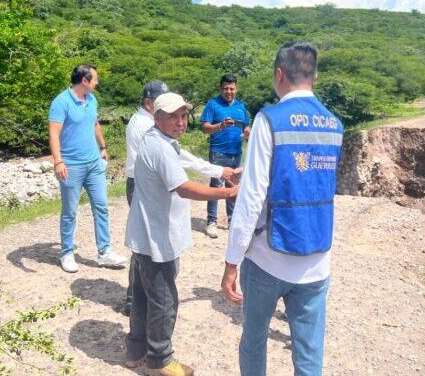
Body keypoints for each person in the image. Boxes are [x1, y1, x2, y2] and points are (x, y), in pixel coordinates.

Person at [220, 42, 344, 376]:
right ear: (314, 76)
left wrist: (232, 260)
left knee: (254, 340)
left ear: (279, 75)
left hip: (268, 259)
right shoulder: (334, 124)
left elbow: (251, 199)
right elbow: (306, 176)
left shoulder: (270, 119)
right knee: (309, 350)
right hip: (317, 258)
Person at [125, 92, 239, 376]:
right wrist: (227, 192)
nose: (180, 122)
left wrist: (221, 170)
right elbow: (184, 187)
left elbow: (188, 159)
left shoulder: (159, 140)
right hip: (157, 239)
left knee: (141, 295)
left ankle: (135, 350)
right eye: (173, 117)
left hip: (144, 236)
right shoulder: (160, 148)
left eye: (184, 116)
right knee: (164, 300)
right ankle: (160, 360)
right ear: (157, 117)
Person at [49, 64, 126, 273]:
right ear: (85, 80)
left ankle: (104, 252)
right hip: (71, 166)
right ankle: (66, 253)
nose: (97, 82)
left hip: (93, 164)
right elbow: (54, 133)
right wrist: (58, 162)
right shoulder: (61, 102)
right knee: (69, 212)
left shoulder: (91, 99)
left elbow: (95, 124)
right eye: (95, 79)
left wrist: (103, 147)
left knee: (101, 206)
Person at [200, 74, 251, 238]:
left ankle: (232, 220)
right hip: (218, 152)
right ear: (220, 88)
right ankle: (211, 222)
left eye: (232, 88)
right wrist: (220, 126)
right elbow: (205, 128)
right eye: (225, 88)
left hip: (236, 152)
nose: (228, 91)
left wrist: (248, 132)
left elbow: (246, 127)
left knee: (233, 187)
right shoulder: (212, 104)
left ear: (236, 88)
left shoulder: (241, 107)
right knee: (215, 186)